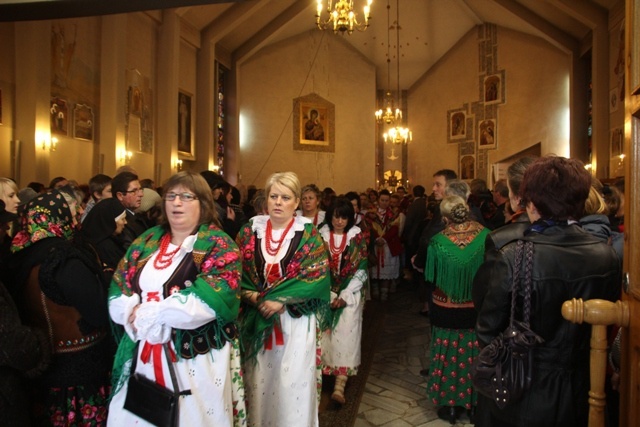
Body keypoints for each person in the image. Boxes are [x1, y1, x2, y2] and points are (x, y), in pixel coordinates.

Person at [473, 156, 621, 427]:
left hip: (523, 390)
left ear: (531, 201)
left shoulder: (514, 255)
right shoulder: (607, 255)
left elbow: (487, 330)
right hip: (584, 388)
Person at [107, 171, 246, 426]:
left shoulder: (217, 244)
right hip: (144, 354)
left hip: (193, 358)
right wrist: (129, 312)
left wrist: (152, 313)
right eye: (171, 196)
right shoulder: (147, 240)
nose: (176, 202)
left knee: (191, 416)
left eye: (186, 196)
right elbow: (119, 285)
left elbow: (213, 296)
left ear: (203, 204)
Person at [236, 171, 330, 427]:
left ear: (297, 202)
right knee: (259, 381)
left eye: (285, 197)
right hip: (258, 321)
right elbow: (235, 274)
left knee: (292, 385)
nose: (278, 202)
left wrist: (282, 299)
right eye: (273, 196)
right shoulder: (248, 232)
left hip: (294, 323)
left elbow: (318, 275)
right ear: (266, 200)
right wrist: (254, 296)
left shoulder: (309, 235)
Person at [10, 188, 112, 425]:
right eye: (74, 216)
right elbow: (98, 310)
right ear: (60, 218)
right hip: (77, 372)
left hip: (41, 365)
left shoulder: (20, 251)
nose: (77, 222)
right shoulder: (62, 257)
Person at [424, 195, 488, 424]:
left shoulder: (438, 242)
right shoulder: (485, 236)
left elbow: (430, 277)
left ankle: (449, 405)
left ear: (445, 218)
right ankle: (473, 404)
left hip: (445, 308)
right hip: (475, 307)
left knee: (447, 354)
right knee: (474, 355)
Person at [319, 197, 368, 404]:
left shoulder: (357, 237)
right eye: (336, 217)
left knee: (347, 336)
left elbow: (361, 269)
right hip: (323, 293)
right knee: (324, 337)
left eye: (344, 217)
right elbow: (316, 267)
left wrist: (345, 295)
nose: (339, 221)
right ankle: (320, 380)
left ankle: (340, 386)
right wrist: (329, 294)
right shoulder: (320, 236)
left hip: (350, 294)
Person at [367, 189, 403, 301]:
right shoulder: (371, 213)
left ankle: (384, 293)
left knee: (386, 271)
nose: (385, 202)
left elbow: (394, 228)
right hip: (375, 244)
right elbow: (369, 227)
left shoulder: (394, 214)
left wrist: (384, 239)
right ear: (378, 200)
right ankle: (375, 291)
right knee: (374, 268)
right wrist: (377, 238)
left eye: (387, 200)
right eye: (382, 200)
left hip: (388, 245)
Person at [80, 198, 128, 282]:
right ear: (110, 221)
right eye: (122, 219)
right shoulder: (105, 246)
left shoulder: (114, 238)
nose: (126, 222)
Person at [112, 171, 147, 248]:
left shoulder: (136, 215)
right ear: (120, 196)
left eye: (140, 189)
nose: (141, 194)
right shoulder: (120, 220)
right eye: (134, 191)